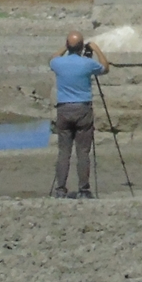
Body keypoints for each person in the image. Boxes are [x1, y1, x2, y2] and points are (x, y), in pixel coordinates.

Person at [49, 31, 109, 199]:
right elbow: (105, 68)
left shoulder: (58, 63)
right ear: (82, 47)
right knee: (83, 152)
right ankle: (84, 190)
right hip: (83, 109)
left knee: (64, 152)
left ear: (67, 46)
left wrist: (65, 47)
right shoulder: (88, 63)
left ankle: (60, 189)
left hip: (64, 109)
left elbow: (52, 59)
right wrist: (96, 49)